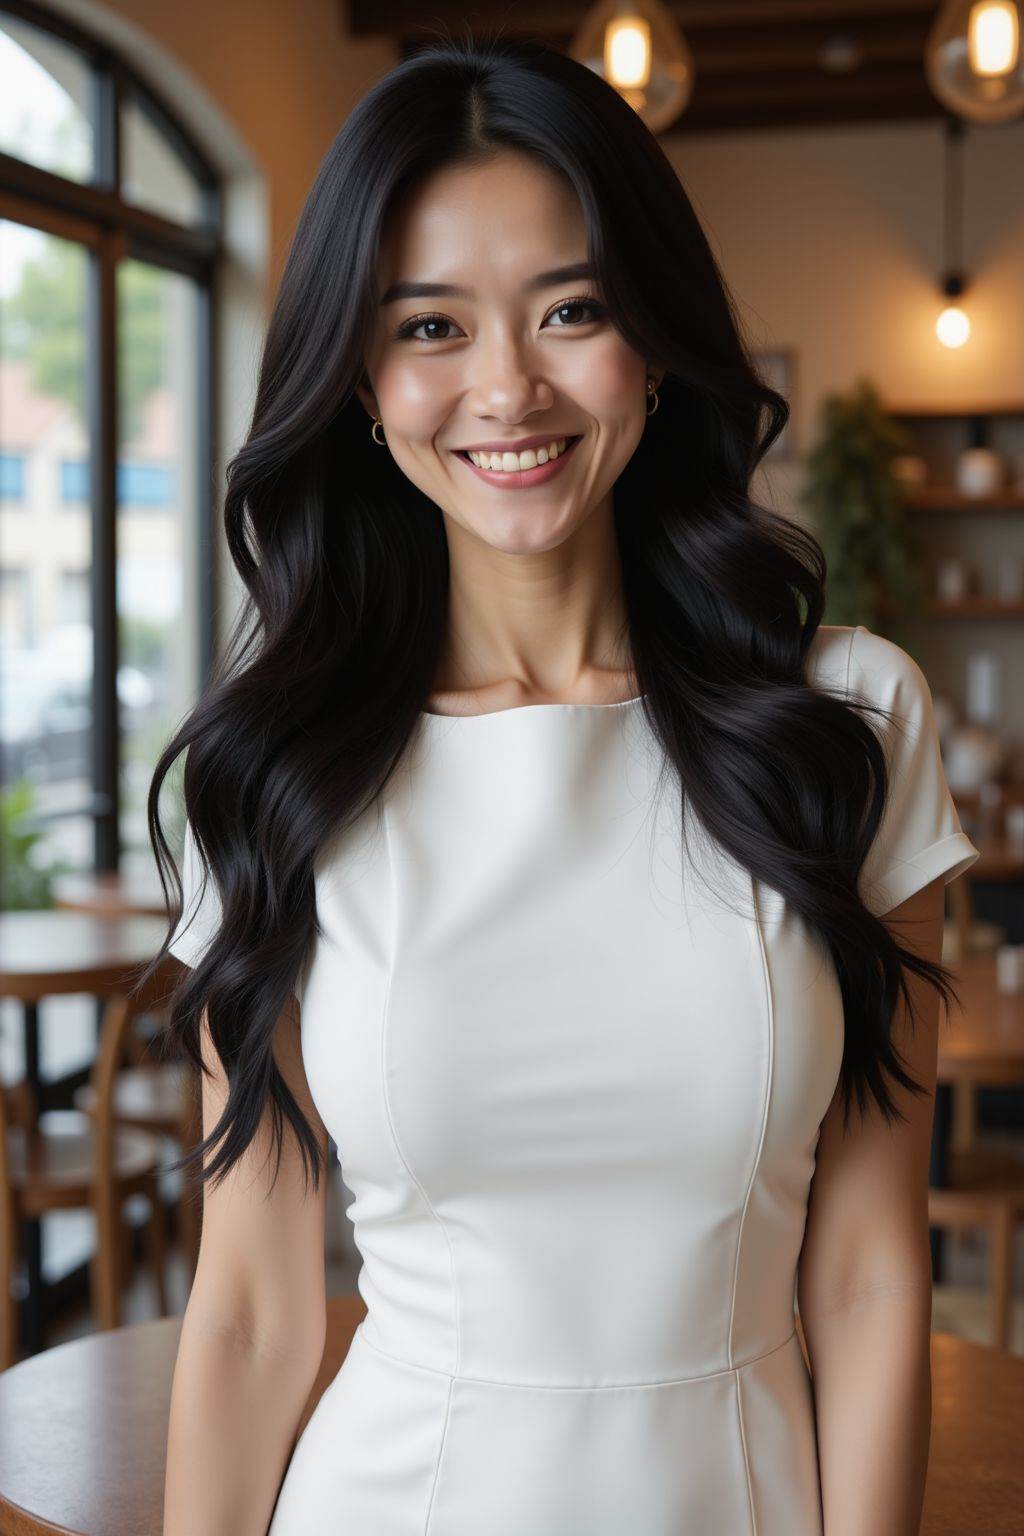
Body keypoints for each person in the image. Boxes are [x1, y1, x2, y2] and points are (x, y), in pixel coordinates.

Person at [155, 34, 980, 1536]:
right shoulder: (273, 772)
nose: (507, 387)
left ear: (653, 341)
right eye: (430, 326)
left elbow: (868, 1276)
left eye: (572, 310)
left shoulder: (848, 723)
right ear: (360, 379)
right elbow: (252, 1317)